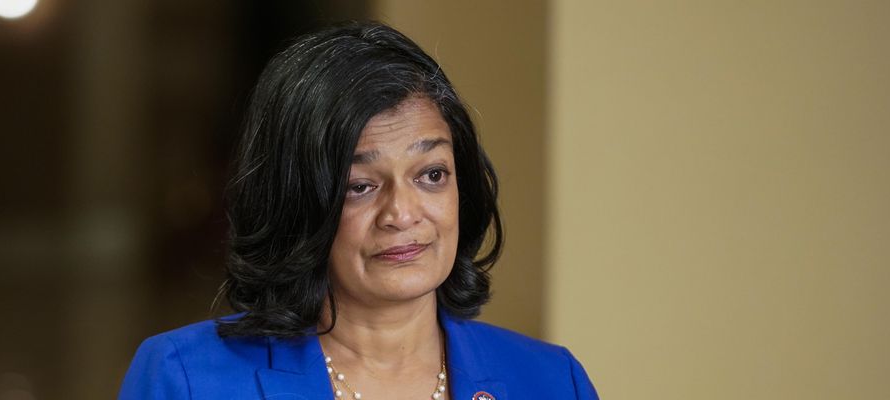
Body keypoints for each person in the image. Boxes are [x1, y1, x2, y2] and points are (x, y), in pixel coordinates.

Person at [118, 22, 598, 400]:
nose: (402, 214)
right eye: (361, 186)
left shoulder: (553, 380)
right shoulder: (186, 379)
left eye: (431, 174)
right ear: (298, 203)